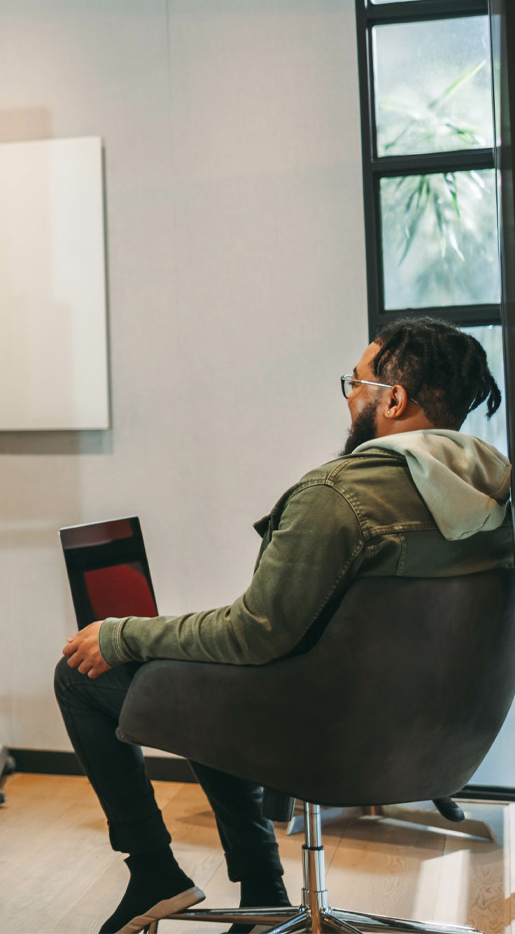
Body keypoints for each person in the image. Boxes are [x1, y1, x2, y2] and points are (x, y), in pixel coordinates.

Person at [56, 317, 511, 934]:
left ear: (394, 399)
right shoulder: (499, 499)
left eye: (357, 382)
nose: (351, 396)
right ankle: (261, 890)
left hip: (329, 739)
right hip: (441, 742)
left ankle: (155, 874)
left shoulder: (340, 493)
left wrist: (120, 633)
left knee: (82, 676)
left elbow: (254, 634)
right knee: (211, 676)